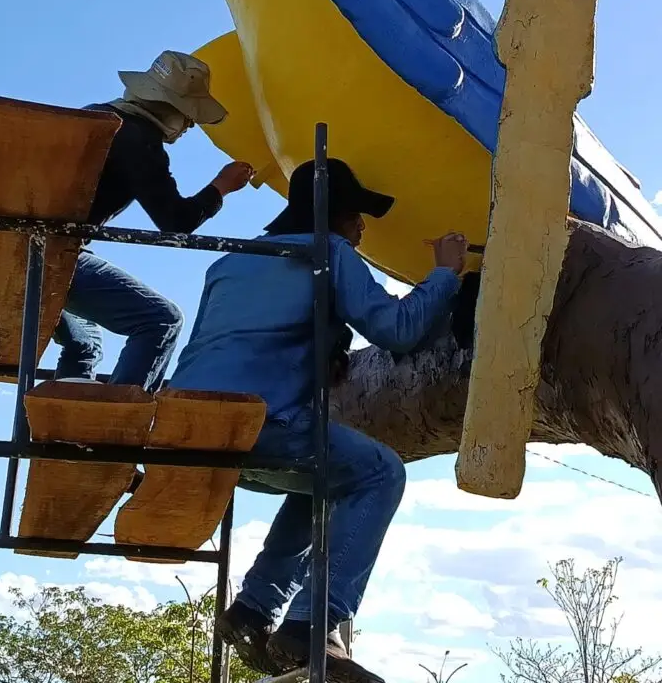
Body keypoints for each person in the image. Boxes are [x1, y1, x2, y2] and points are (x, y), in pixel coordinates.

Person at [168, 158, 468, 683]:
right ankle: (313, 625)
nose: (362, 226)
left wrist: (327, 340)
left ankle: (253, 609)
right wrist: (444, 274)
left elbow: (238, 338)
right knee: (380, 473)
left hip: (190, 424)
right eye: (356, 214)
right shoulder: (329, 253)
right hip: (260, 422)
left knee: (321, 480)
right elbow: (398, 330)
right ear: (335, 215)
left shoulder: (230, 261)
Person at [53, 49, 253, 393]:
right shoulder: (138, 140)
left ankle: (64, 425)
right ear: (169, 109)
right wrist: (221, 186)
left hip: (16, 245)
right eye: (189, 116)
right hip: (55, 252)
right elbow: (177, 222)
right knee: (162, 320)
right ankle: (117, 426)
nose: (190, 125)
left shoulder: (94, 115)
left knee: (84, 342)